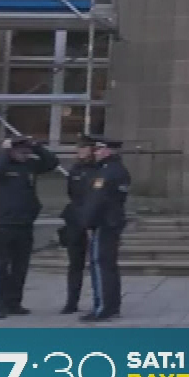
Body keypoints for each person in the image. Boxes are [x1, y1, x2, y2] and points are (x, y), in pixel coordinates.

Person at [0, 135, 59, 317]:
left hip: (25, 224)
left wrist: (37, 147)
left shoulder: (30, 167)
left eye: (27, 152)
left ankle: (14, 302)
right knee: (2, 266)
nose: (24, 155)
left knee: (20, 267)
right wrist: (5, 151)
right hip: (5, 225)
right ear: (12, 151)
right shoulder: (3, 167)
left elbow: (52, 163)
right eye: (21, 151)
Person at [76, 137, 131, 322]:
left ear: (107, 151)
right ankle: (112, 306)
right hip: (112, 222)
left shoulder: (107, 172)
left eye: (99, 150)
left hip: (104, 223)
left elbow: (97, 201)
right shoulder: (117, 170)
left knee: (100, 265)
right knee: (109, 266)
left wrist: (86, 222)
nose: (95, 153)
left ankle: (103, 307)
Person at [58, 136, 97, 314]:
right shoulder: (75, 169)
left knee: (97, 263)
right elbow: (72, 193)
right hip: (75, 220)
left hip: (94, 220)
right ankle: (71, 301)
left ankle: (100, 300)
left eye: (84, 148)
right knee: (75, 264)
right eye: (79, 148)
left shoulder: (99, 170)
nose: (80, 151)